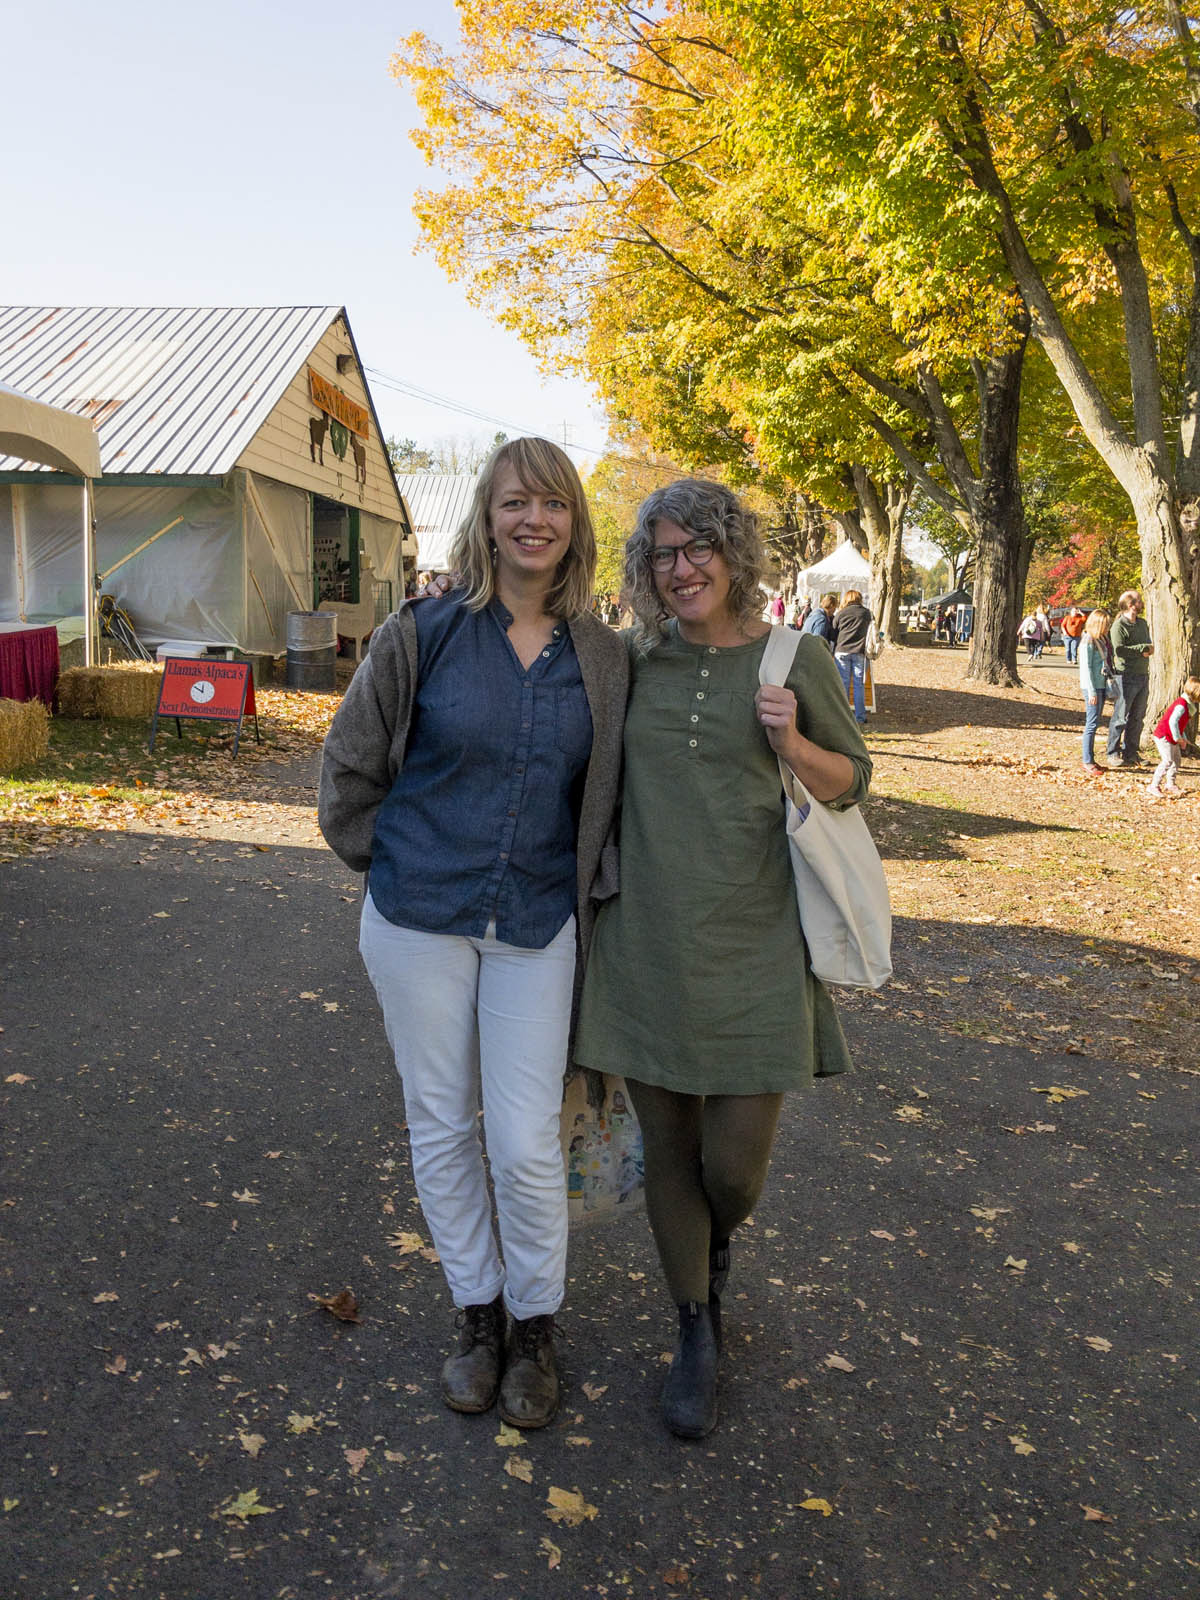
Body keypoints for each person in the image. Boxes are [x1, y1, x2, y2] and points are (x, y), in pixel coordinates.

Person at [317, 437, 628, 1430]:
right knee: (441, 1122)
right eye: (514, 502)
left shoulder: (605, 658)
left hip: (536, 919)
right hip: (418, 917)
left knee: (527, 1138)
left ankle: (538, 1328)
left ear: (575, 525)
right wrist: (395, 864)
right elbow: (349, 770)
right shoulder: (425, 634)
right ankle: (479, 1315)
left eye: (553, 505)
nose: (533, 520)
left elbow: (620, 794)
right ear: (487, 517)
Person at [574, 478, 871, 1440]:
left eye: (698, 547)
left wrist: (792, 741)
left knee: (733, 1170)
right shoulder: (634, 662)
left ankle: (714, 1247)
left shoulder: (798, 657)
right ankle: (694, 1324)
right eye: (662, 553)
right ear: (645, 569)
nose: (682, 567)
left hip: (757, 952)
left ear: (733, 553)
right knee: (669, 1150)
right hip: (647, 946)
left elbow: (852, 782)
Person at [1107, 590, 1154, 767]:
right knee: (1120, 717)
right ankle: (1112, 752)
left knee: (1137, 717)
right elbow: (1119, 650)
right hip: (1125, 676)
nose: (1141, 603)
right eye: (1139, 601)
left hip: (1143, 675)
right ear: (1130, 604)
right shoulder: (1118, 626)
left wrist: (1147, 649)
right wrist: (1142, 648)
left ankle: (1131, 753)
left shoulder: (1142, 624)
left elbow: (1148, 645)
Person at [1146, 676, 1200, 799]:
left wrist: (1183, 738)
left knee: (1176, 760)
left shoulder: (1188, 705)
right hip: (1164, 736)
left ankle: (1170, 783)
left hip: (1173, 737)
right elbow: (1172, 722)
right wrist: (1178, 738)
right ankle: (1154, 785)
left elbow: (1181, 725)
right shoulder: (1182, 705)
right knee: (1167, 760)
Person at [1078, 608, 1114, 775]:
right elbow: (1086, 669)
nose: (1107, 627)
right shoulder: (1088, 641)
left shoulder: (1101, 639)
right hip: (1091, 687)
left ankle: (1091, 758)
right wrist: (1092, 692)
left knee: (1095, 722)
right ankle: (1087, 760)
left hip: (1101, 685)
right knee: (1091, 724)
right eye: (1105, 624)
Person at [831, 588, 874, 725]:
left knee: (843, 685)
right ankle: (860, 717)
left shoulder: (841, 613)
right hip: (859, 652)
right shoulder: (866, 613)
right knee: (858, 685)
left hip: (842, 650)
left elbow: (833, 631)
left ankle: (842, 716)